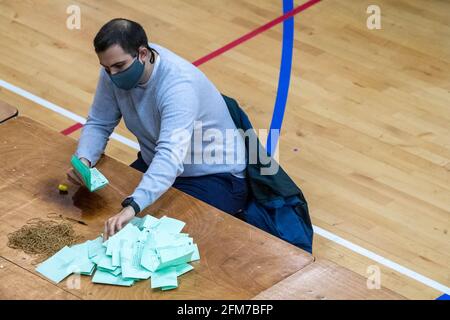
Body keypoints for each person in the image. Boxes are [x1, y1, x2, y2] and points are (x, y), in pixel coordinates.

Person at [67, 18, 247, 240]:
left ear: (143, 53)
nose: (112, 75)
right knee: (103, 220)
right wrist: (84, 160)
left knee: (156, 241)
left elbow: (170, 156)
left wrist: (133, 205)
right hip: (158, 162)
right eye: (106, 68)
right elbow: (99, 122)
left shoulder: (178, 87)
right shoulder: (114, 69)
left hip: (213, 176)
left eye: (119, 66)